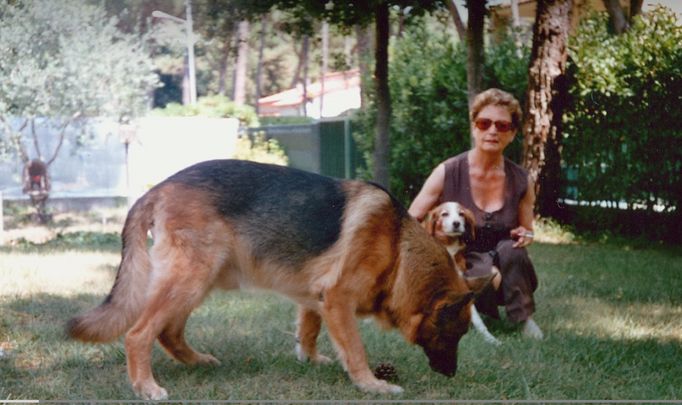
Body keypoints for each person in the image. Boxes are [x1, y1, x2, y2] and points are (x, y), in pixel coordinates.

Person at [408, 88, 543, 339]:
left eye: (502, 126)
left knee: (512, 250)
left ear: (512, 134)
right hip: (463, 259)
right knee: (484, 275)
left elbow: (527, 231)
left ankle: (525, 320)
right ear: (474, 128)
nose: (492, 131)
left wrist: (526, 234)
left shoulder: (522, 179)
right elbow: (409, 220)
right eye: (484, 123)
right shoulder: (447, 171)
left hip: (508, 263)